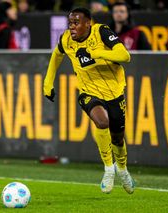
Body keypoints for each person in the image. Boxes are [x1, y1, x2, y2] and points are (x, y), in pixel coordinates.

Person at [43, 7, 135, 194]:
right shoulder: (66, 40)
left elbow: (125, 55)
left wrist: (98, 53)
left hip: (115, 92)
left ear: (88, 24)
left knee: (118, 138)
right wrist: (48, 83)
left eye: (76, 23)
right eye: (70, 23)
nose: (72, 27)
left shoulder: (101, 32)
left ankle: (123, 169)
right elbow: (56, 55)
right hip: (88, 92)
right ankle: (109, 168)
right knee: (102, 122)